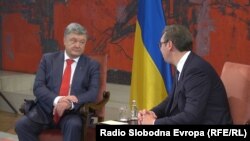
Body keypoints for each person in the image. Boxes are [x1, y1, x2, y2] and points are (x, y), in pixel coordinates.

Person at [15, 23, 100, 141]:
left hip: (72, 114)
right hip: (45, 110)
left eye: (82, 42)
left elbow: (93, 92)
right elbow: (38, 87)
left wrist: (69, 103)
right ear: (64, 40)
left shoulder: (92, 65)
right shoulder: (48, 59)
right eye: (73, 40)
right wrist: (58, 100)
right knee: (21, 126)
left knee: (74, 125)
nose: (77, 45)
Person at [138, 24, 232, 125]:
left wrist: (154, 123)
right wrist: (152, 113)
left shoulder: (196, 70)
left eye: (160, 45)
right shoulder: (185, 65)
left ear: (169, 45)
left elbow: (191, 116)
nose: (160, 49)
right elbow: (171, 100)